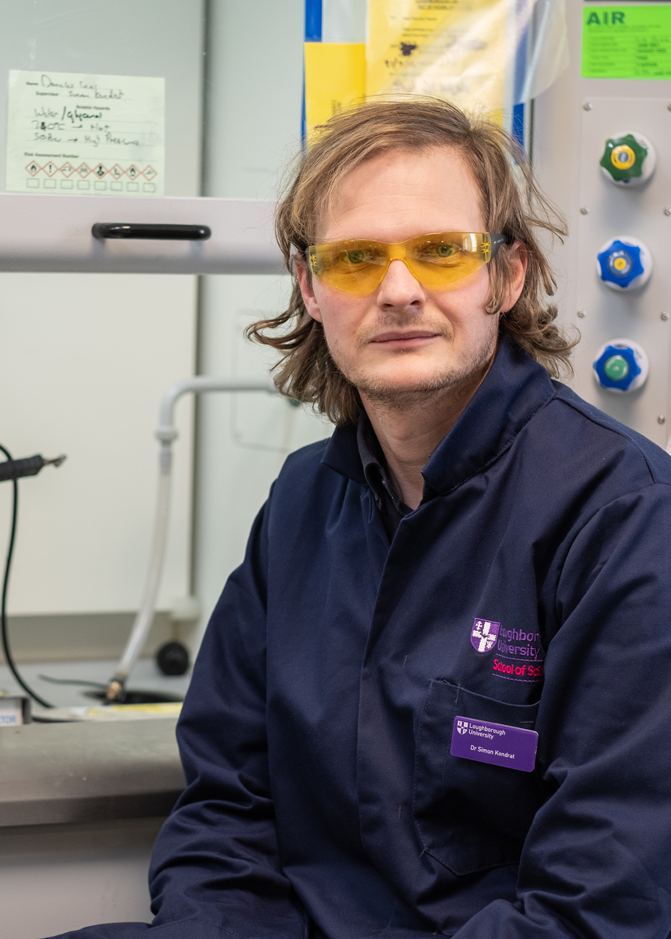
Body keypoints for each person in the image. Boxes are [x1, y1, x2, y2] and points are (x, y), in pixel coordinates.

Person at [52, 97, 671, 938]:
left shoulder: (624, 519)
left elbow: (595, 907)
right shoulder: (303, 506)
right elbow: (228, 816)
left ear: (508, 275)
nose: (400, 291)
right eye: (354, 259)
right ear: (310, 288)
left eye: (441, 252)